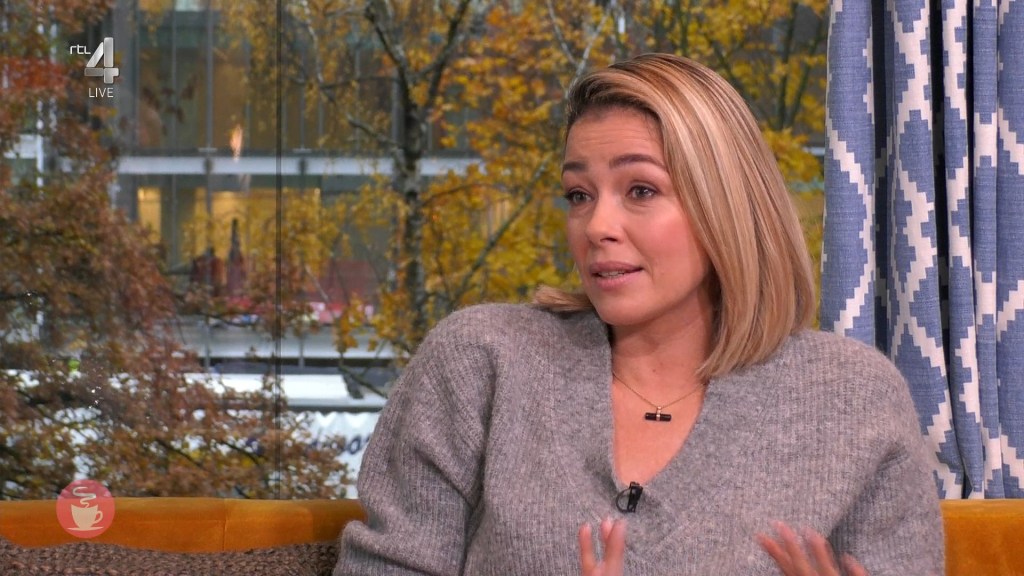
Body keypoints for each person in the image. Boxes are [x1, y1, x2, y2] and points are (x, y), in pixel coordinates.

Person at [334, 53, 944, 575]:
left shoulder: (853, 399)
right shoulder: (481, 360)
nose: (596, 226)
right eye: (579, 195)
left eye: (641, 190)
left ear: (725, 204)